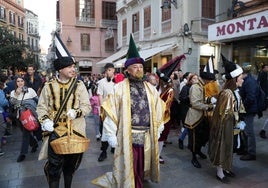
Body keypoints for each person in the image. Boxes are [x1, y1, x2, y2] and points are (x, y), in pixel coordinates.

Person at [92, 34, 166, 188]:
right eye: (135, 67)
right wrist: (111, 134)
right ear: (127, 69)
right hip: (128, 135)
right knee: (130, 166)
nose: (139, 69)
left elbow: (159, 107)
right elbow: (111, 111)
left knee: (142, 164)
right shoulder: (119, 88)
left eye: (140, 66)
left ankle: (139, 182)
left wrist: (158, 127)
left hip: (146, 134)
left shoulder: (150, 88)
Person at [36, 32, 91, 188]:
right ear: (60, 69)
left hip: (76, 133)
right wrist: (45, 120)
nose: (73, 69)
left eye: (74, 66)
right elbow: (41, 107)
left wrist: (76, 112)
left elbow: (86, 106)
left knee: (70, 168)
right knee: (54, 170)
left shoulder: (79, 85)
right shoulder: (48, 86)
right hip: (56, 133)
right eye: (69, 66)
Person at [208, 55, 244, 183]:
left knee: (230, 147)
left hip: (232, 125)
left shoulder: (235, 91)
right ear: (234, 79)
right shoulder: (227, 93)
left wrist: (240, 120)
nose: (243, 80)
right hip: (225, 126)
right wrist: (236, 121)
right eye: (241, 78)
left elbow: (239, 108)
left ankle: (226, 168)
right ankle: (220, 172)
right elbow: (224, 113)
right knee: (222, 147)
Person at [184, 65, 216, 168]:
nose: (210, 82)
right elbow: (195, 103)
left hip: (203, 116)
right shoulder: (195, 86)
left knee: (205, 135)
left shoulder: (203, 86)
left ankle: (198, 150)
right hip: (194, 117)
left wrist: (209, 100)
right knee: (194, 138)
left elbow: (202, 99)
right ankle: (194, 156)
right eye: (209, 80)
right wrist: (209, 107)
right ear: (205, 78)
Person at [9, 76, 41, 162]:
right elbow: (12, 103)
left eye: (21, 81)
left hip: (32, 115)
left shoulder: (30, 90)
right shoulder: (13, 92)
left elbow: (38, 101)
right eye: (18, 81)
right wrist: (16, 94)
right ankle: (34, 144)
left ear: (24, 82)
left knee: (28, 134)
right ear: (15, 83)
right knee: (25, 132)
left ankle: (23, 154)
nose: (20, 83)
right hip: (20, 116)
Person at [239, 65, 258, 161]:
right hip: (247, 109)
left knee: (249, 132)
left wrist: (242, 107)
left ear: (243, 73)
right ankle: (246, 149)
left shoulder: (249, 82)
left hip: (249, 110)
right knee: (245, 130)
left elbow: (250, 98)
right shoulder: (247, 80)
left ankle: (251, 153)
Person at [97, 63, 116, 162]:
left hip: (116, 111)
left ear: (113, 70)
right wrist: (102, 109)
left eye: (109, 70)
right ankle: (103, 151)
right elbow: (100, 95)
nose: (107, 72)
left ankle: (114, 147)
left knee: (116, 129)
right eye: (106, 70)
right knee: (105, 130)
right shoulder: (101, 82)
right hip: (106, 111)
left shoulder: (119, 82)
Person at [178, 73, 198, 149]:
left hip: (194, 111)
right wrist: (188, 97)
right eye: (194, 78)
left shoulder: (197, 88)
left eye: (197, 78)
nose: (196, 80)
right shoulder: (185, 88)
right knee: (187, 127)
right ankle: (181, 140)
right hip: (186, 110)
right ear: (190, 80)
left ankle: (189, 143)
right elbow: (181, 98)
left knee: (191, 128)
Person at [257, 64, 268, 138]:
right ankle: (263, 130)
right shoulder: (262, 74)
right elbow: (259, 83)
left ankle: (263, 130)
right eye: (267, 67)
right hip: (264, 94)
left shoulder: (265, 74)